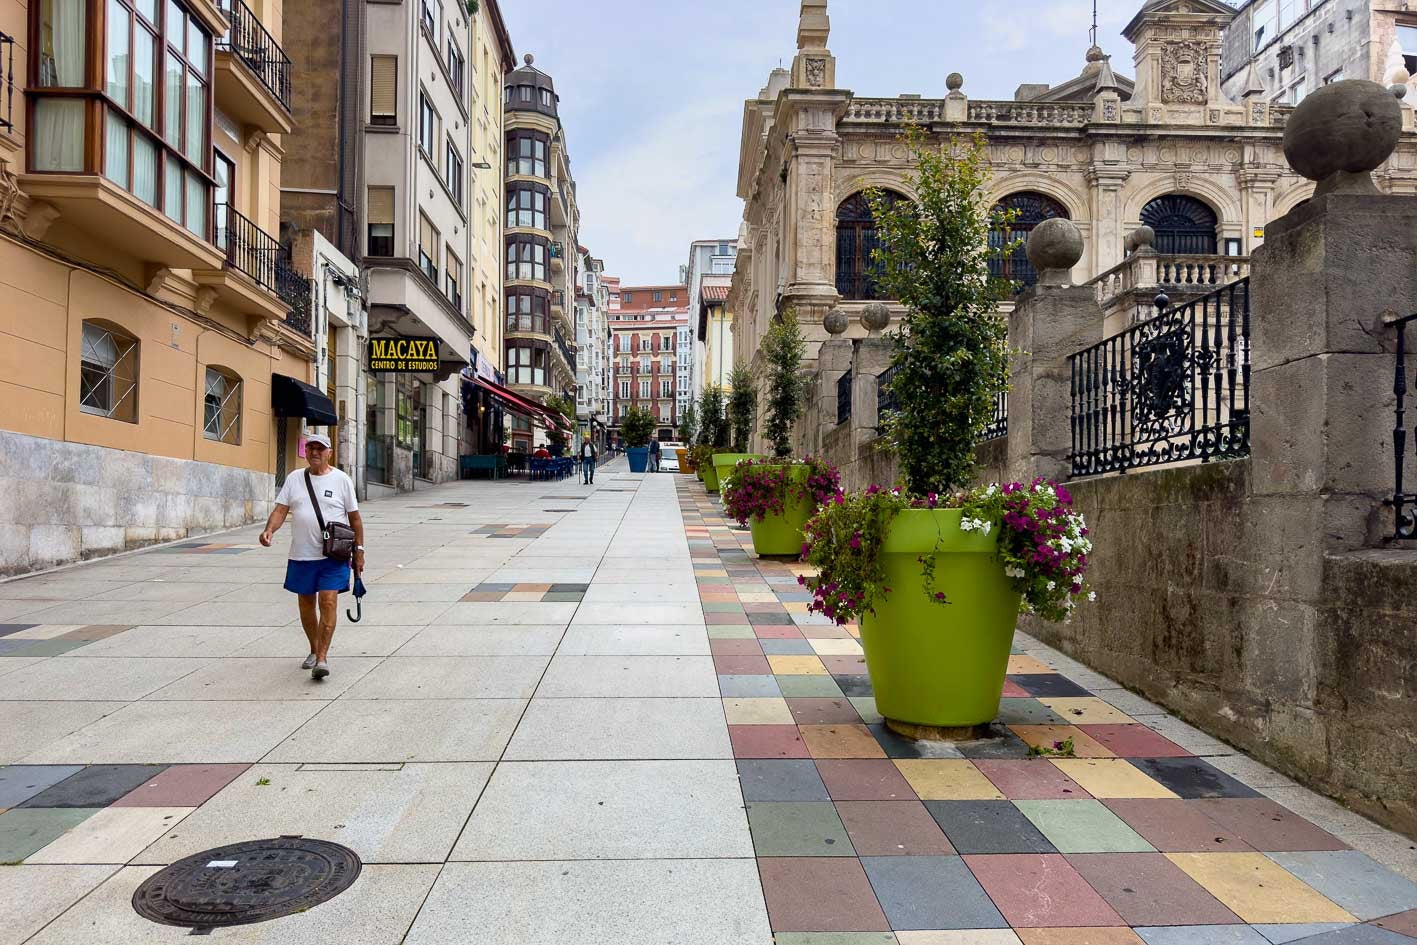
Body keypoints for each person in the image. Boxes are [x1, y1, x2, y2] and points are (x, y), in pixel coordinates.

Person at [259, 434, 363, 679]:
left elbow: (355, 520)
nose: (314, 452)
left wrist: (359, 551)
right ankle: (314, 649)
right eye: (310, 448)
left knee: (327, 601)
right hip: (301, 555)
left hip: (333, 555)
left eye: (320, 448)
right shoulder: (295, 478)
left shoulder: (341, 480)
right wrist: (269, 530)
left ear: (329, 452)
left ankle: (322, 659)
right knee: (306, 605)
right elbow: (280, 510)